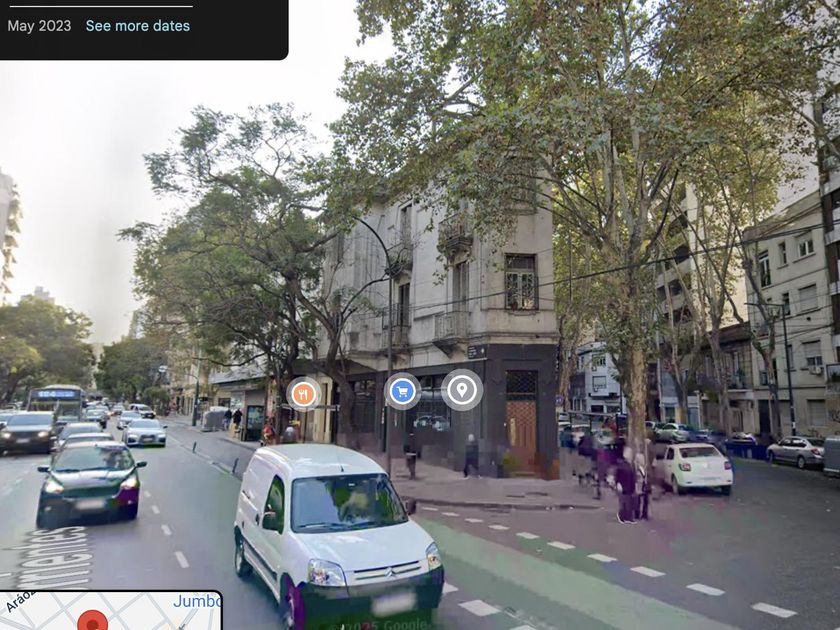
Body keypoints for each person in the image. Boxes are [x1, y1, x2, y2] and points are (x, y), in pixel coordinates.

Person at [615, 446, 636, 524]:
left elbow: (632, 476)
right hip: (624, 486)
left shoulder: (630, 465)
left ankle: (628, 517)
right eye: (630, 454)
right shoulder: (622, 465)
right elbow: (618, 475)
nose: (631, 455)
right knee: (624, 502)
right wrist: (618, 483)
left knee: (629, 502)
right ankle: (622, 516)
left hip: (629, 486)